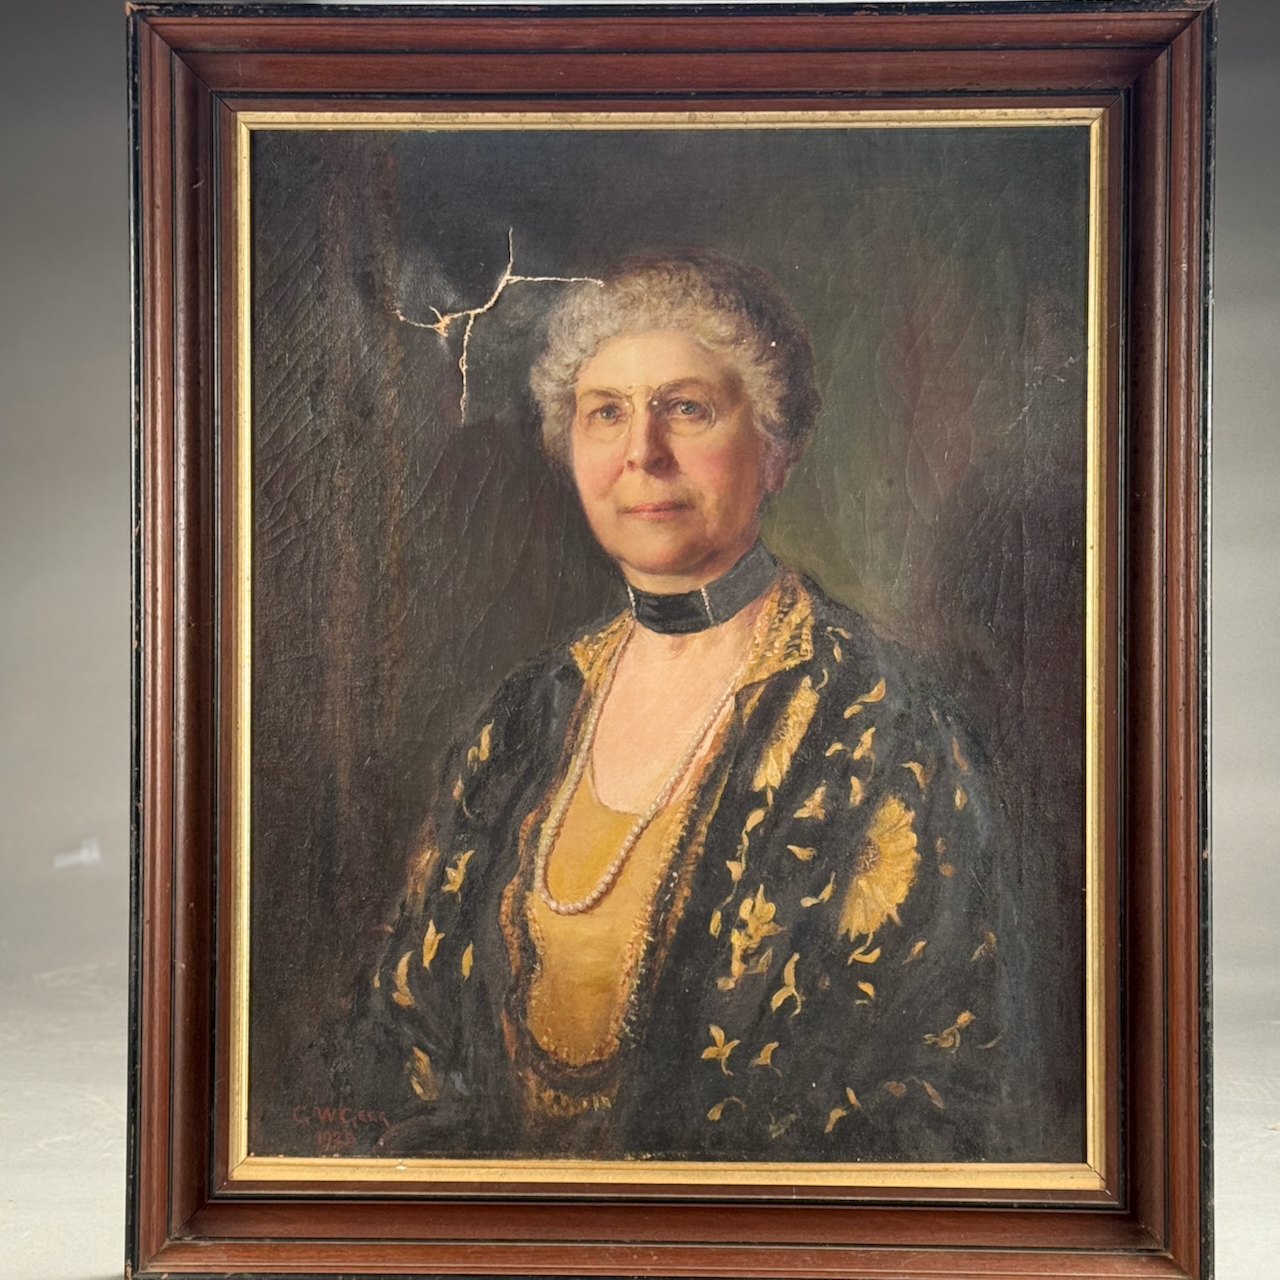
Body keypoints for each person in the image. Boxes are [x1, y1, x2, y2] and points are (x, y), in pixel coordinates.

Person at [338, 249, 1048, 1162]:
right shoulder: (521, 719)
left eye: (686, 408)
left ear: (776, 449)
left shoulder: (880, 724)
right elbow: (401, 1037)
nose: (643, 452)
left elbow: (937, 1100)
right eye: (606, 413)